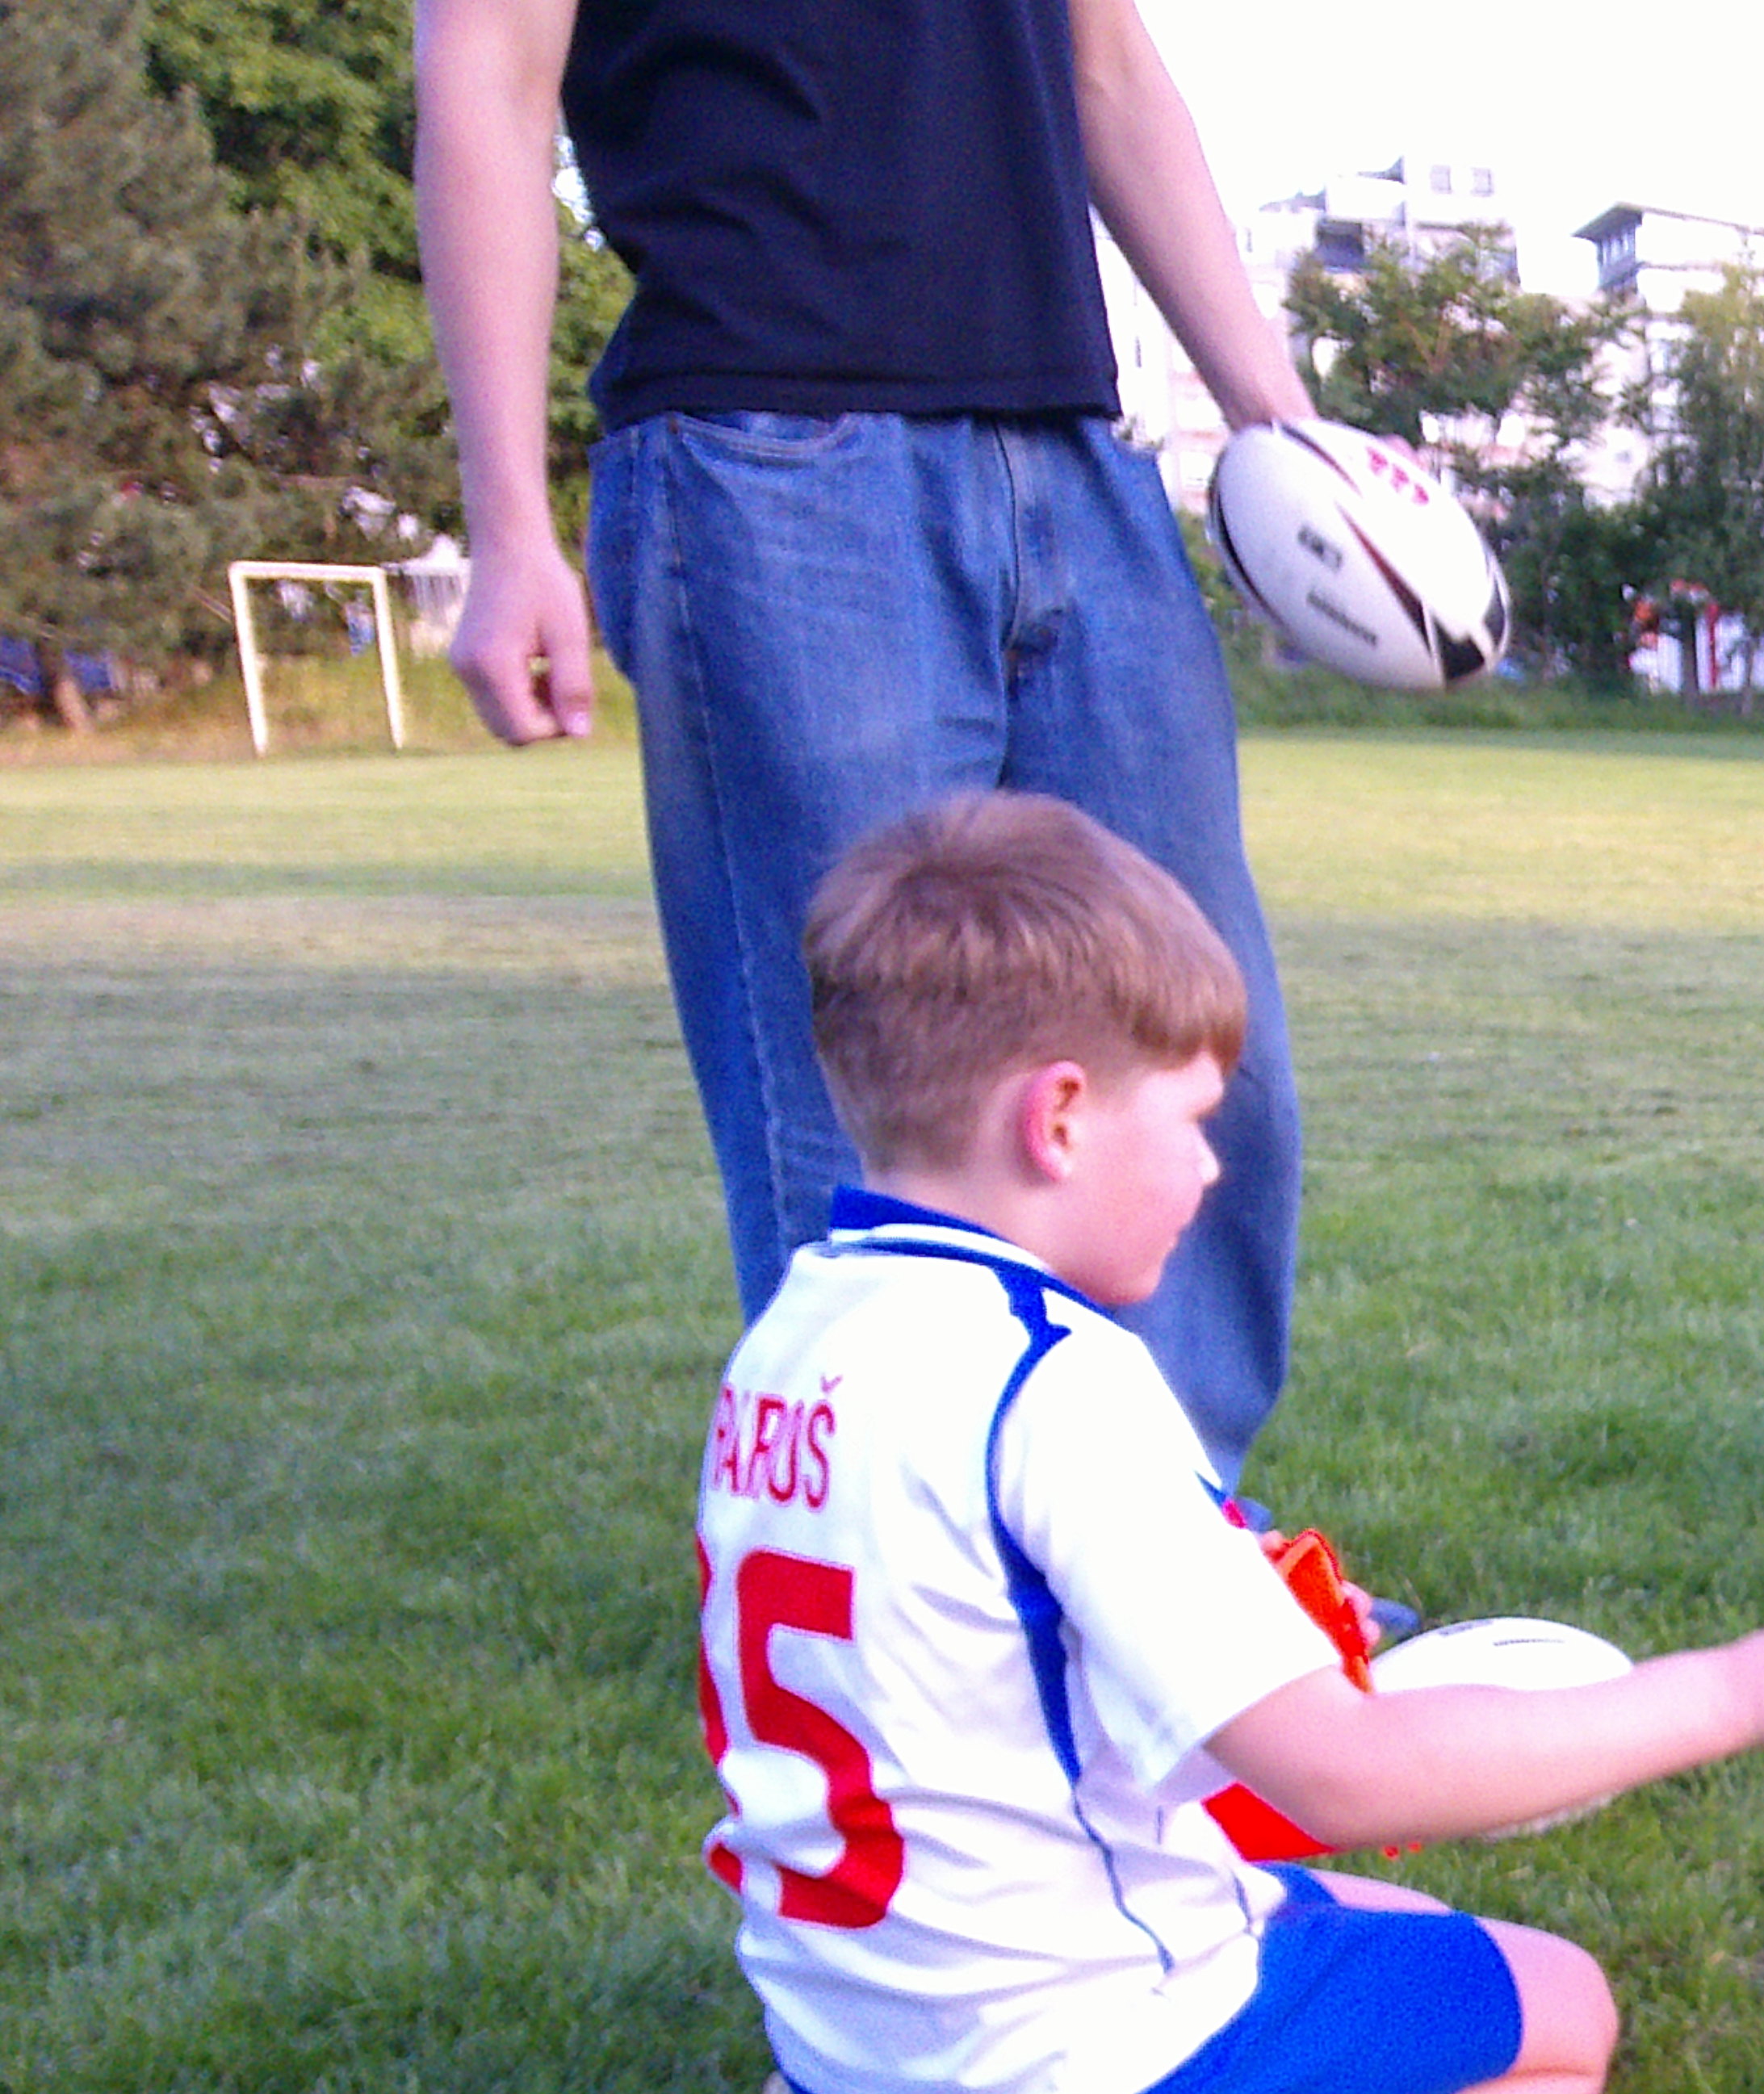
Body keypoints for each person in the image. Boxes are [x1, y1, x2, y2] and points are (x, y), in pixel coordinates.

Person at [693, 797, 1764, 2094]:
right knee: (1568, 2013)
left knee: (1366, 1920)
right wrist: (1734, 1690)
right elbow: (1345, 1776)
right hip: (1056, 2075)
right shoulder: (1051, 1384)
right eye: (1194, 1118)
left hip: (848, 2036)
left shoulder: (793, 1332)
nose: (1212, 1168)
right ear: (1059, 1118)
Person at [416, 0, 1317, 1480]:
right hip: (772, 458)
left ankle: (1170, 1546)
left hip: (1073, 446)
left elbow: (1106, 67)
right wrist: (508, 522)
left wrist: (1281, 427)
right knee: (871, 1095)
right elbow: (489, 78)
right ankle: (906, 1563)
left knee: (1196, 1058)